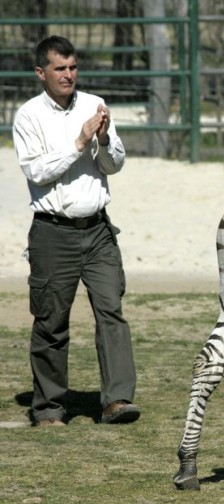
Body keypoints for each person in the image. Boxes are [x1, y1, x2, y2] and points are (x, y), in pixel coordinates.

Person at [13, 35, 140, 427]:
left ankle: (117, 400)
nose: (68, 75)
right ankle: (49, 408)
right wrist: (80, 141)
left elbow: (114, 165)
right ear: (41, 73)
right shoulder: (29, 116)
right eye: (59, 68)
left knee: (111, 312)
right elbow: (37, 171)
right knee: (51, 320)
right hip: (53, 233)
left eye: (72, 67)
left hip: (98, 229)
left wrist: (103, 140)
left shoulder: (94, 105)